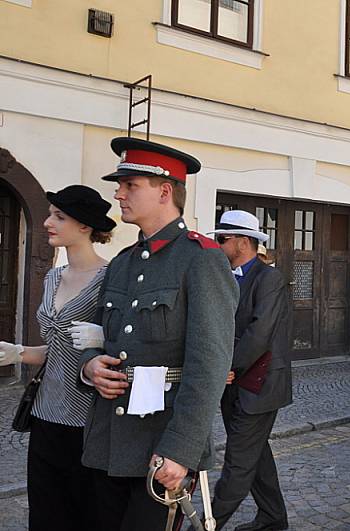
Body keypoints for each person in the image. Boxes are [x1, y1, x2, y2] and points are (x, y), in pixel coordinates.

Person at [79, 137, 238, 529]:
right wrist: (90, 367)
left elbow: (209, 366)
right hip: (109, 440)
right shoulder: (122, 263)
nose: (118, 194)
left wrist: (180, 450)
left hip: (161, 445)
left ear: (165, 190)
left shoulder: (201, 260)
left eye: (130, 185)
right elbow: (97, 336)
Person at [0, 185, 115, 531]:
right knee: (47, 515)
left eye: (58, 216)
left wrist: (104, 341)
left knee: (87, 515)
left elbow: (120, 347)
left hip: (88, 420)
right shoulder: (52, 276)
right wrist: (17, 352)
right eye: (50, 214)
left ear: (84, 226)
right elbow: (58, 351)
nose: (48, 222)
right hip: (46, 416)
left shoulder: (110, 280)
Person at [209, 210, 292, 530]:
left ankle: (204, 525)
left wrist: (225, 365)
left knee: (238, 463)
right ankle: (273, 517)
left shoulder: (269, 277)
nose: (217, 245)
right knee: (255, 457)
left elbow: (260, 332)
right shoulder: (226, 276)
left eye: (222, 239)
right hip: (234, 384)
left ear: (243, 242)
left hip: (259, 386)